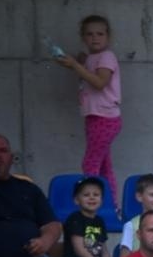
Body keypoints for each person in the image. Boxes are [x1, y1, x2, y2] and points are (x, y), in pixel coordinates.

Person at [0, 133, 97, 257]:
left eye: (2, 151)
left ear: (11, 157)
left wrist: (45, 241)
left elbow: (52, 224)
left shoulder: (28, 189)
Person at [52, 14, 122, 204]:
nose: (95, 38)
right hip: (94, 116)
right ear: (83, 37)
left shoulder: (107, 56)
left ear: (108, 37)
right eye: (89, 34)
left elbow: (100, 82)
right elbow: (87, 73)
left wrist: (75, 65)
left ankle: (91, 202)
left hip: (105, 117)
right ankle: (110, 204)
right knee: (104, 165)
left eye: (100, 34)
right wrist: (75, 63)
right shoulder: (92, 57)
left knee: (90, 163)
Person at [63, 176, 113, 257]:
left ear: (101, 200)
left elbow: (104, 250)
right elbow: (80, 250)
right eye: (86, 195)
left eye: (96, 194)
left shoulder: (99, 221)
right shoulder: (75, 219)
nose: (92, 197)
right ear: (76, 200)